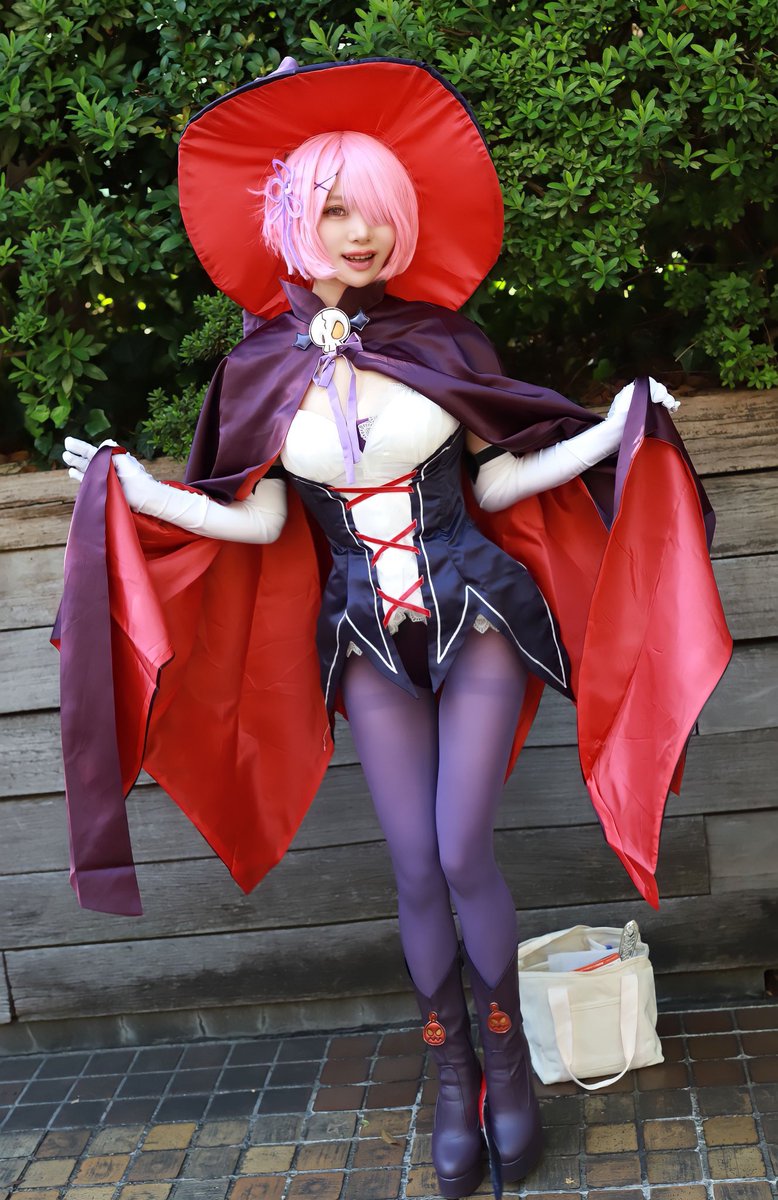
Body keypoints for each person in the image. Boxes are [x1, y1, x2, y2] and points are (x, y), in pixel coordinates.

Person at [58, 58, 731, 1200]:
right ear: (291, 218)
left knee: (462, 848)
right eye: (334, 209)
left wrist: (616, 427)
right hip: (363, 639)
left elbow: (502, 481)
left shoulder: (440, 342)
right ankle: (452, 1074)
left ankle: (508, 1074)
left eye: (375, 208)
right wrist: (133, 490)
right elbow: (258, 518)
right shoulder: (257, 369)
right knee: (415, 864)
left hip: (477, 616)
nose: (361, 232)